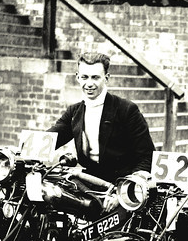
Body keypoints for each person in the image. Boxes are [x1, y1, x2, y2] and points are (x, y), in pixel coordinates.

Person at [48, 51, 155, 184]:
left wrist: (128, 189)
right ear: (78, 77)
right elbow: (50, 139)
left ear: (106, 77)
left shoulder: (126, 110)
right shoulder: (74, 111)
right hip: (89, 181)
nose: (89, 83)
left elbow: (146, 156)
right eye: (85, 77)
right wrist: (21, 151)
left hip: (122, 183)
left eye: (95, 77)